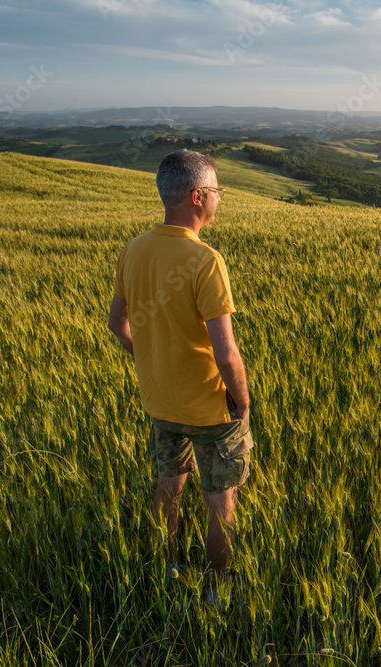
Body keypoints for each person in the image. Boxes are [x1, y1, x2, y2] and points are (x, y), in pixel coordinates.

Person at [107, 149, 252, 604]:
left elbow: (117, 324)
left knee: (168, 486)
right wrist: (242, 402)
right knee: (220, 500)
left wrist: (147, 356)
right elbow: (226, 353)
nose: (218, 200)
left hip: (159, 401)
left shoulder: (134, 249)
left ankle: (165, 570)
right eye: (216, 192)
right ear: (196, 196)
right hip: (210, 407)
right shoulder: (205, 259)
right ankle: (216, 590)